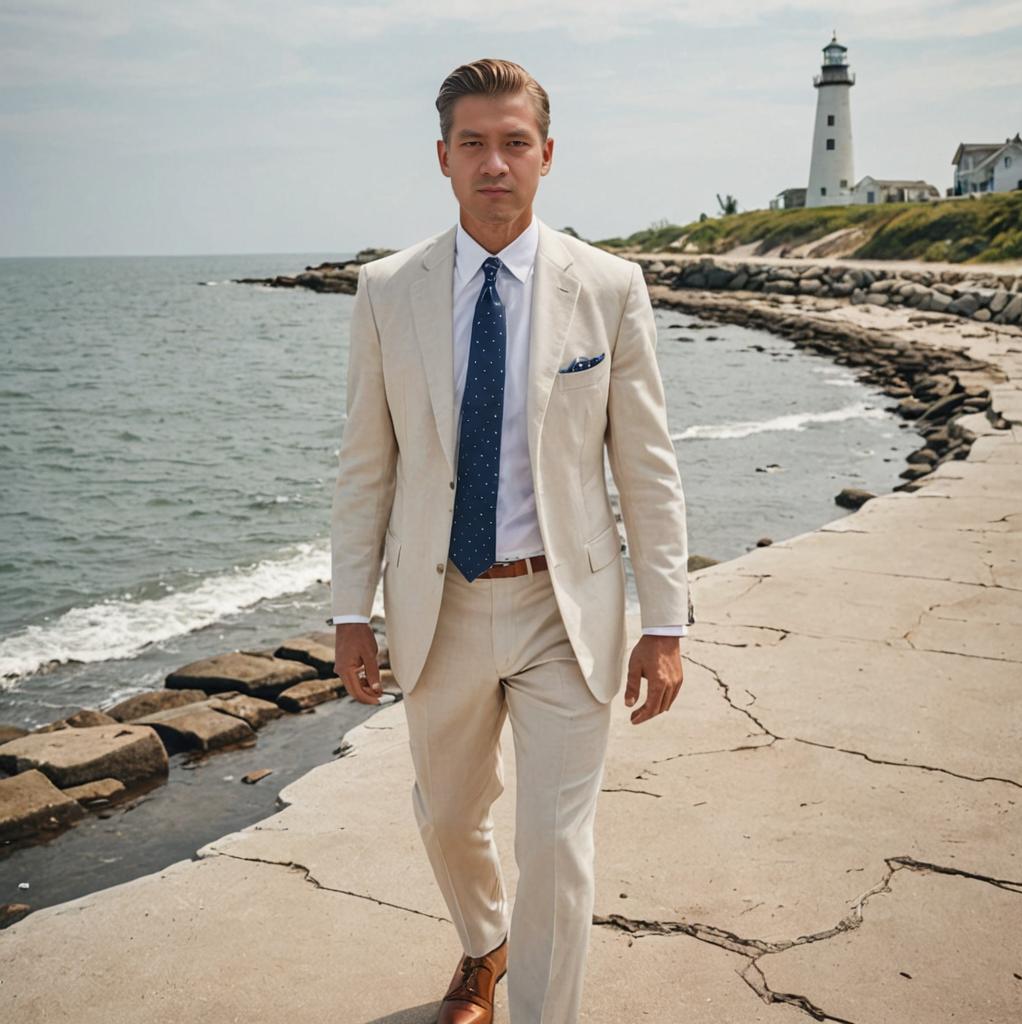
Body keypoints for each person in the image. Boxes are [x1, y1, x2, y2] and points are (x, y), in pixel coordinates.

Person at [328, 57, 695, 1024]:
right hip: (438, 602)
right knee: (449, 817)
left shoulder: (610, 288)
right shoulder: (386, 291)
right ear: (443, 158)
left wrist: (667, 622)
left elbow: (647, 467)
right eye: (475, 145)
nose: (497, 163)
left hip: (561, 608)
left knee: (559, 844)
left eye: (515, 143)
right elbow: (367, 465)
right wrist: (347, 611)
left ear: (547, 155)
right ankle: (483, 948)